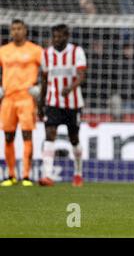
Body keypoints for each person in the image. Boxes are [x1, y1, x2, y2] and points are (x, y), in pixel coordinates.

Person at [38, 24, 87, 187]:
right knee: (50, 134)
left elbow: (81, 76)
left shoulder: (76, 52)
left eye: (60, 36)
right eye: (54, 36)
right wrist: (40, 103)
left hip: (73, 104)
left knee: (74, 138)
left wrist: (70, 88)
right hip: (53, 102)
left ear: (67, 36)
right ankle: (47, 176)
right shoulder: (46, 54)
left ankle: (78, 173)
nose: (56, 39)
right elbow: (44, 80)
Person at [0, 19, 42, 187]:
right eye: (13, 29)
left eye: (19, 28)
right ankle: (11, 175)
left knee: (27, 135)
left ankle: (26, 176)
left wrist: (39, 87)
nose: (16, 32)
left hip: (26, 98)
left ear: (25, 30)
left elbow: (47, 71)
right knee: (8, 137)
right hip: (8, 98)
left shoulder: (35, 50)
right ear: (10, 32)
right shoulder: (3, 51)